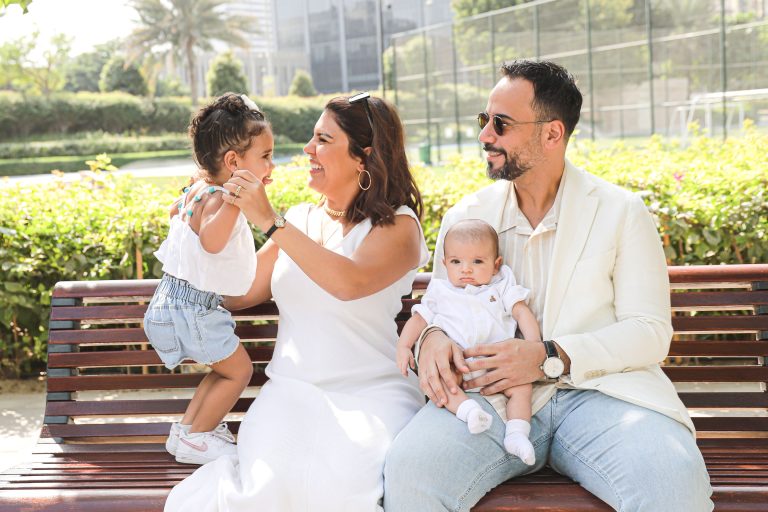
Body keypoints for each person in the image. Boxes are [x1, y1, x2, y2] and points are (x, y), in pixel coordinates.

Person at [384, 60, 713, 511]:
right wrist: (432, 337)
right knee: (411, 471)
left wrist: (548, 356)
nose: (485, 135)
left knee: (673, 482)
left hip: (602, 395)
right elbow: (443, 307)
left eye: (501, 124)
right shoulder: (466, 216)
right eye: (484, 120)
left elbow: (649, 332)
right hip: (490, 399)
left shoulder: (622, 211)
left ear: (552, 134)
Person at [164, 92, 429, 512]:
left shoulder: (399, 226)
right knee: (267, 487)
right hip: (289, 392)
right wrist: (191, 239)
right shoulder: (302, 218)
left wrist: (270, 221)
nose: (307, 148)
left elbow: (348, 282)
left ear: (364, 156)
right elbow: (241, 292)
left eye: (323, 139)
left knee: (341, 487)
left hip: (372, 394)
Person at [143, 93, 274, 465]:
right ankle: (198, 437)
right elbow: (213, 242)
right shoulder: (222, 199)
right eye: (265, 156)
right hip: (195, 310)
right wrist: (235, 200)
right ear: (233, 162)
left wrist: (199, 189)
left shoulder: (200, 189)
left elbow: (175, 212)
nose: (271, 166)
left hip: (174, 300)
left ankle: (188, 431)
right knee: (239, 371)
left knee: (222, 370)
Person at [396, 219, 540, 465]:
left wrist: (534, 345)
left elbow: (521, 312)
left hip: (500, 366)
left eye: (477, 262)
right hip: (459, 364)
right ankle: (469, 411)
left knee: (521, 388)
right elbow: (418, 320)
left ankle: (516, 434)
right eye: (456, 262)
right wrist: (403, 346)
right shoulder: (440, 292)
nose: (466, 270)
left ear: (496, 265)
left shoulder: (501, 285)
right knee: (444, 384)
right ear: (445, 264)